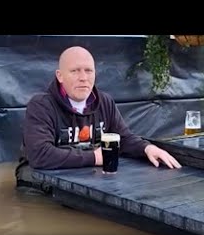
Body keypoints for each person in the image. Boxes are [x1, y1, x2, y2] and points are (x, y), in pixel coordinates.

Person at [20, 46, 182, 171]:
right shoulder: (41, 106)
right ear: (60, 76)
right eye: (75, 71)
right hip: (42, 188)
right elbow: (40, 155)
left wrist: (147, 148)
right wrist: (95, 158)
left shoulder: (105, 102)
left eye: (88, 71)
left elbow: (123, 139)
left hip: (88, 180)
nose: (83, 77)